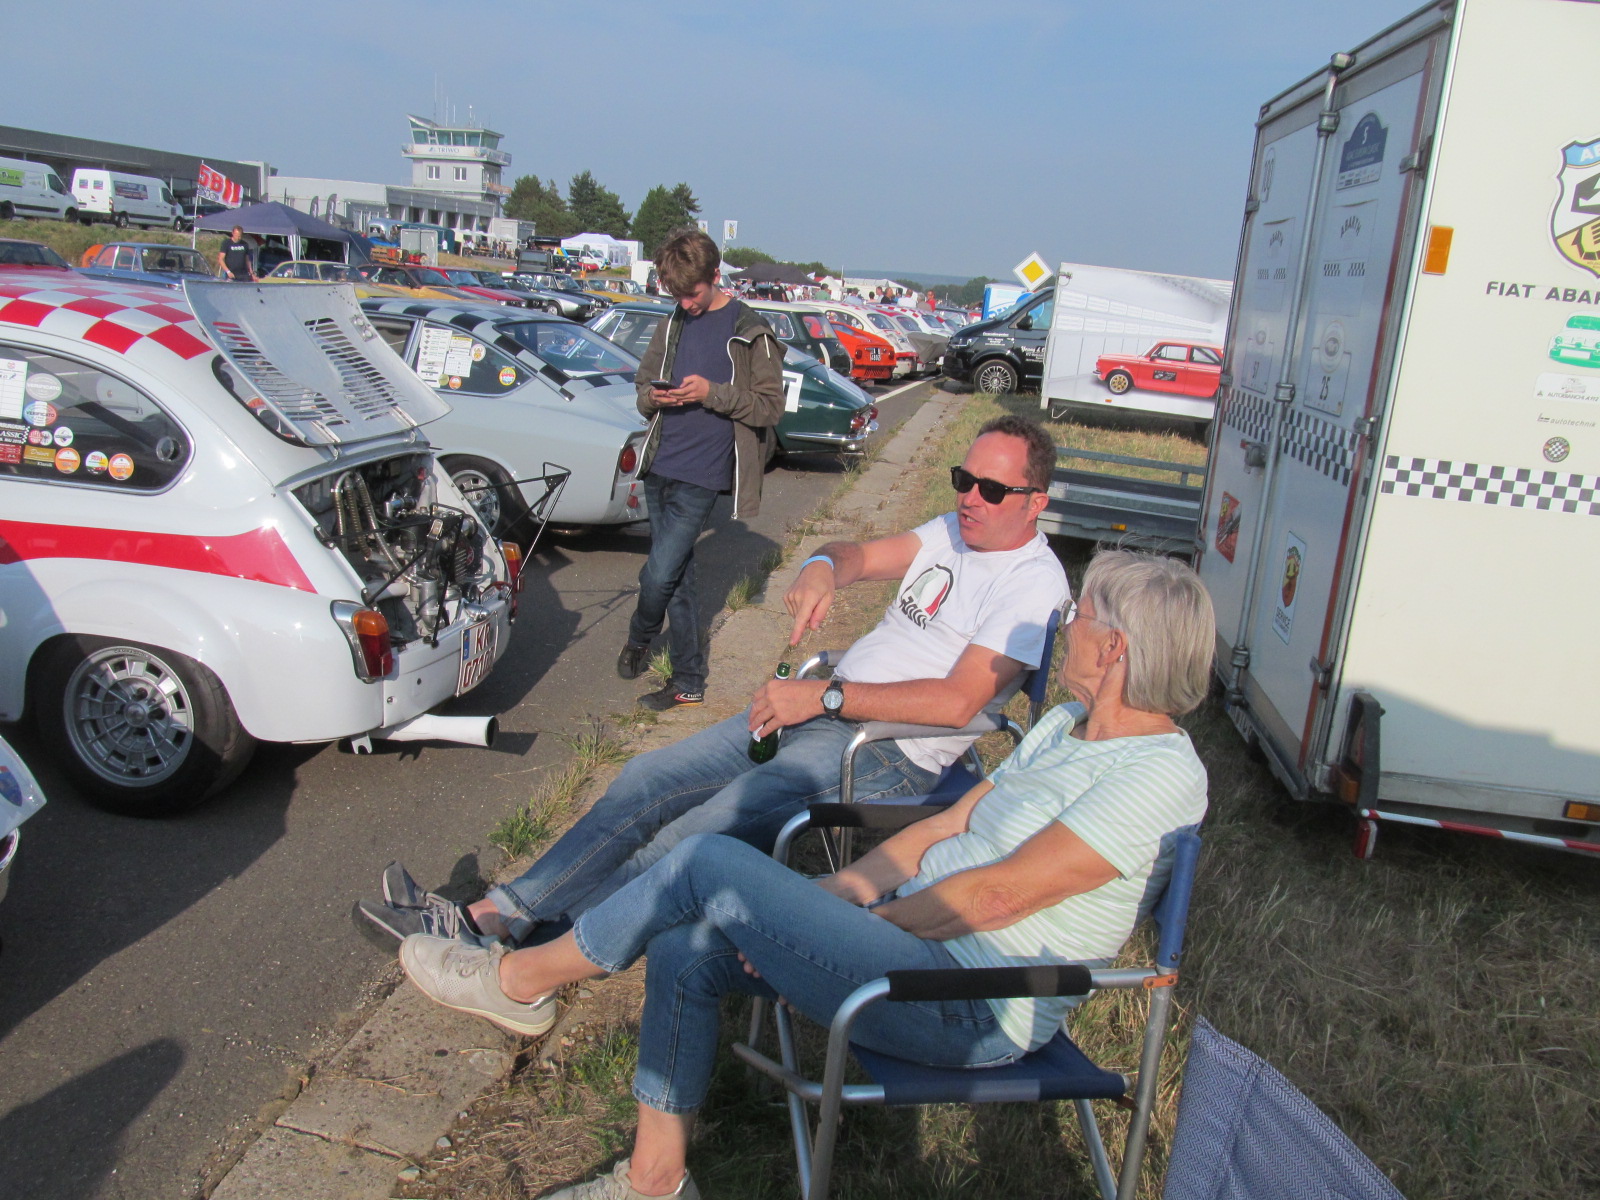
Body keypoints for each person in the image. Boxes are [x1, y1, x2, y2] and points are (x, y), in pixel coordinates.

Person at [397, 549, 1214, 1200]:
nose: (1067, 625)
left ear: (1115, 648)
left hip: (971, 1004)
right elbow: (948, 824)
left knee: (709, 860)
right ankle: (654, 1181)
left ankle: (519, 981)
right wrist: (828, 903)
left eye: (1081, 616)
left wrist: (848, 932)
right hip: (909, 952)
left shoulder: (1159, 775)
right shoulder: (1067, 725)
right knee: (686, 948)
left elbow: (999, 896)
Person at [357, 417, 1069, 951]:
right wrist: (824, 567)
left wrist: (825, 697)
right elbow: (855, 553)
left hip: (885, 751)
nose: (971, 497)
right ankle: (498, 915)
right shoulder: (954, 530)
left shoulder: (1031, 585)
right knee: (644, 780)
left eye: (992, 489)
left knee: (691, 831)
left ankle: (533, 952)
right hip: (824, 710)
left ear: (1035, 501)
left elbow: (958, 703)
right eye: (963, 479)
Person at [615, 227, 786, 711]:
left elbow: (770, 407)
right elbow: (642, 385)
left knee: (657, 576)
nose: (686, 303)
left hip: (703, 474)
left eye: (692, 293)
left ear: (714, 276)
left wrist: (712, 393)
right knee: (677, 578)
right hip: (659, 463)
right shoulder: (674, 321)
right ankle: (688, 682)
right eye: (677, 295)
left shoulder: (752, 331)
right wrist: (655, 398)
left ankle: (639, 636)